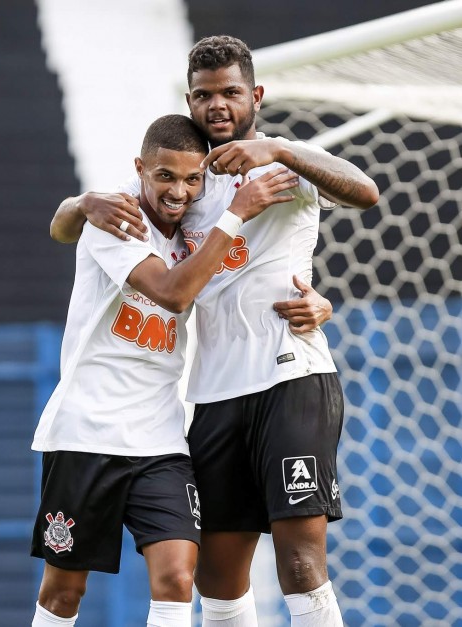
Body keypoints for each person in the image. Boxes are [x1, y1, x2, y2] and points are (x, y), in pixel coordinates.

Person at [50, 36, 379, 627]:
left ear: (255, 95)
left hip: (291, 379)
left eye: (231, 92)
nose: (218, 105)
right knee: (217, 577)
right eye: (204, 95)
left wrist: (279, 147)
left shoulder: (284, 165)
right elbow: (84, 234)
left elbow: (364, 191)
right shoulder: (188, 186)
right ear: (189, 100)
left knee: (300, 562)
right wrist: (80, 202)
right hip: (211, 395)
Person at [31, 114, 301, 627]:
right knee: (64, 592)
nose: (179, 191)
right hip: (87, 432)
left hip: (160, 438)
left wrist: (317, 303)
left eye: (192, 178)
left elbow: (253, 278)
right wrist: (82, 204)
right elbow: (175, 294)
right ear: (141, 170)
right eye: (165, 177)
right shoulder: (119, 218)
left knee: (178, 578)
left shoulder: (200, 228)